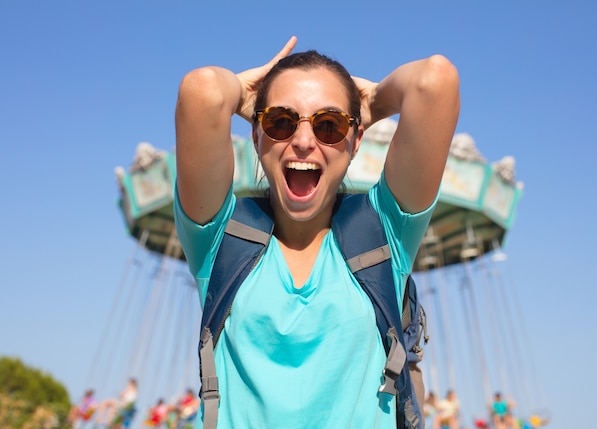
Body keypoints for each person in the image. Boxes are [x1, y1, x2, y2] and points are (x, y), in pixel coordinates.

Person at [174, 35, 460, 429]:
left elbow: (435, 81)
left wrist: (374, 101)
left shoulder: (385, 232)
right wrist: (242, 94)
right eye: (280, 122)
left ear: (356, 139)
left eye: (329, 125)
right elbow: (202, 91)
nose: (304, 141)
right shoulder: (219, 239)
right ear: (256, 137)